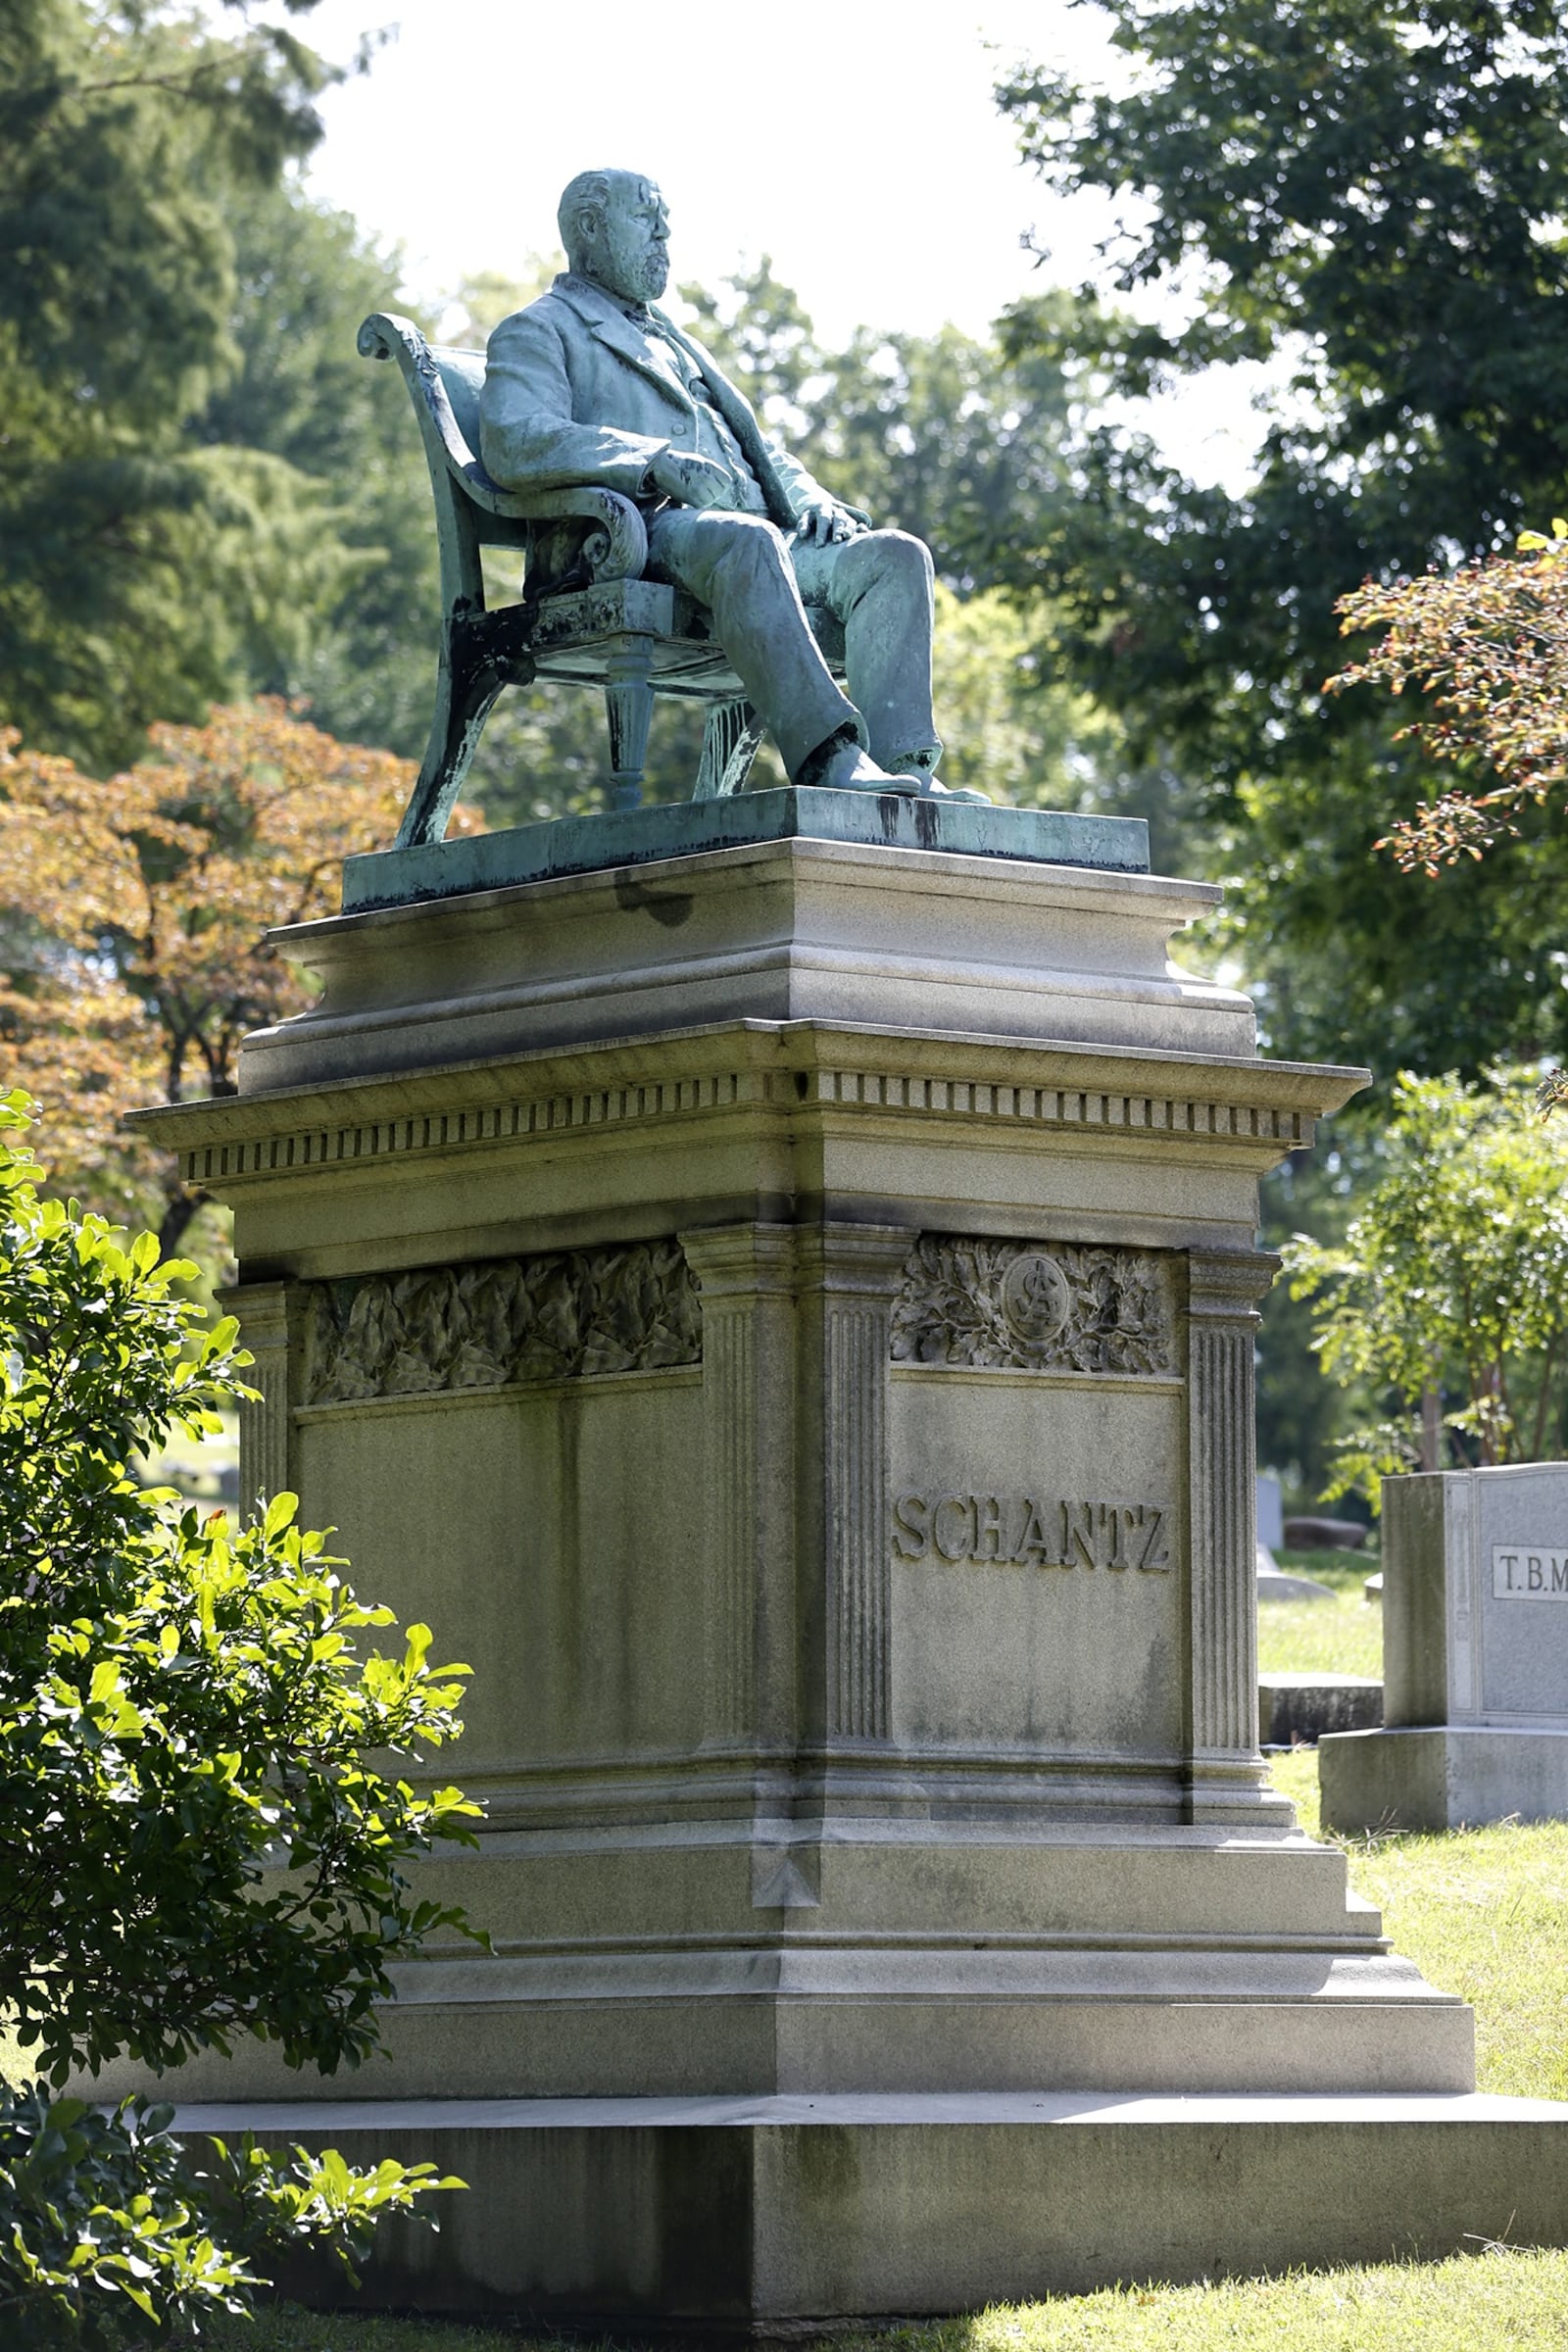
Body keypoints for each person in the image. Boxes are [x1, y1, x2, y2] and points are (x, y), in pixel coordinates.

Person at [479, 169, 985, 801]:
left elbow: (759, 450)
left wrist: (811, 500)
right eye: (646, 216)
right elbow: (516, 438)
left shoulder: (674, 339)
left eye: (665, 216)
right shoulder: (541, 328)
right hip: (633, 538)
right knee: (747, 541)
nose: (665, 230)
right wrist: (651, 459)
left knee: (894, 556)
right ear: (589, 227)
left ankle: (905, 771)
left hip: (755, 538)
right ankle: (832, 762)